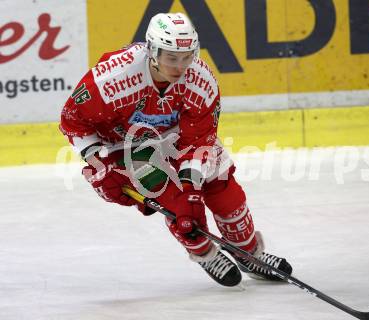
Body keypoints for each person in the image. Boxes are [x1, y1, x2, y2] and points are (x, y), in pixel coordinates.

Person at [60, 12, 292, 287]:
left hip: (177, 135)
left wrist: (191, 185)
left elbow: (198, 140)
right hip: (124, 144)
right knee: (179, 206)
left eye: (187, 56)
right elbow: (72, 119)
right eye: (171, 57)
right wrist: (98, 161)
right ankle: (205, 253)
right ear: (152, 51)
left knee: (223, 188)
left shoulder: (201, 80)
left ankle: (250, 255)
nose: (180, 66)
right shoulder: (112, 79)